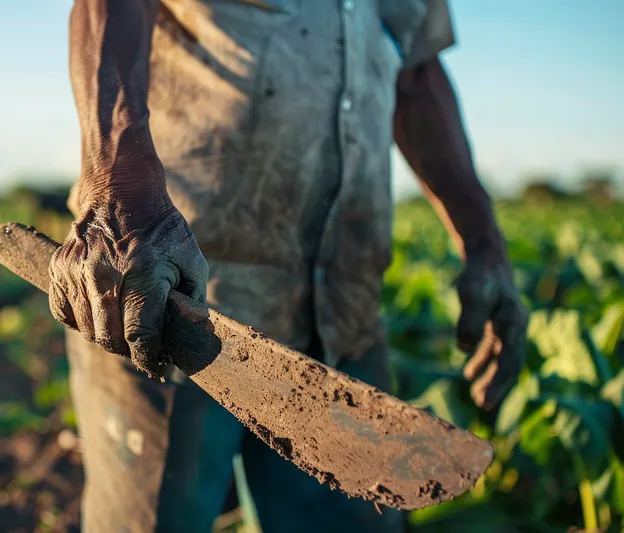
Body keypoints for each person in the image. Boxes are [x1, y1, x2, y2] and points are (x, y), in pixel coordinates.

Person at [47, 1, 529, 531]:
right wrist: (118, 184)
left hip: (342, 319)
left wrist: (484, 241)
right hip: (171, 304)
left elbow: (414, 75)